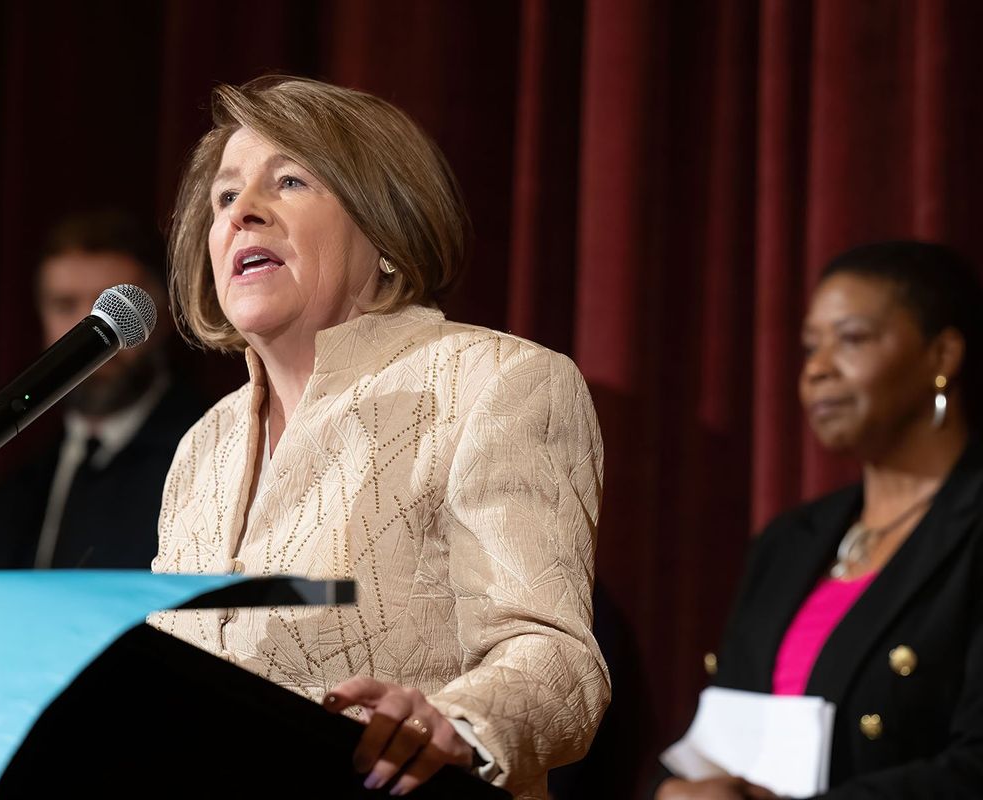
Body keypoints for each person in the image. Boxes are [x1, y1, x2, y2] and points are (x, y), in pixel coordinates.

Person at [146, 76, 609, 799]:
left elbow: (554, 659)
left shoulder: (497, 382)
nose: (244, 215)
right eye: (225, 198)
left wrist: (458, 724)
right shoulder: (202, 449)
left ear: (386, 227)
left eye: (290, 180)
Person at [657, 241, 983, 799]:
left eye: (852, 339)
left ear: (942, 355)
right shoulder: (787, 541)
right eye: (811, 346)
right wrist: (671, 790)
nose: (817, 369)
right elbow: (716, 736)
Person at [0, 210, 205, 569]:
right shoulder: (20, 485)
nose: (90, 335)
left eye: (111, 308)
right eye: (65, 305)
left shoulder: (209, 453)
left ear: (159, 313)